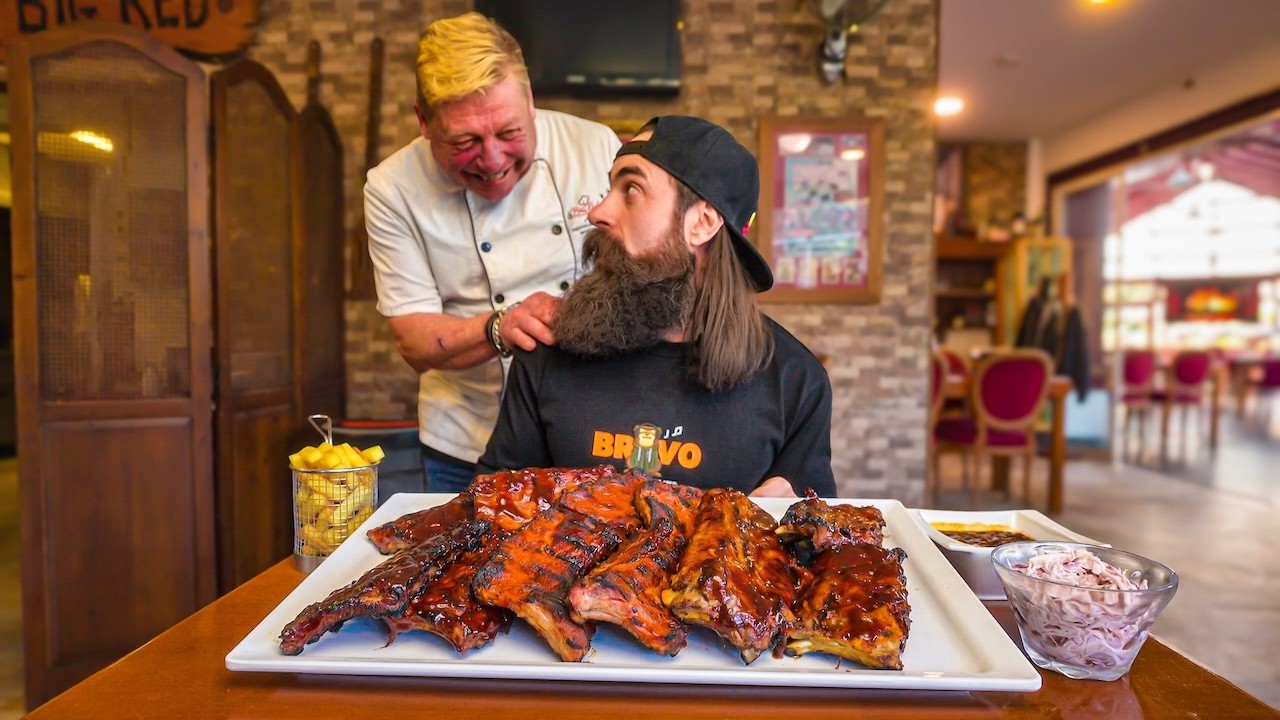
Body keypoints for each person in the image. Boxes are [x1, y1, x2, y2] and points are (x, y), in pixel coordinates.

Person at [477, 116, 835, 498]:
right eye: (609, 189)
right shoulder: (547, 349)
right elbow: (493, 506)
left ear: (702, 222)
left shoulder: (795, 380)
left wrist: (788, 518)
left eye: (631, 189)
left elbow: (818, 533)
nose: (597, 212)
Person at [364, 12, 621, 492]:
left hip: (587, 437)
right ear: (423, 120)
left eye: (508, 133)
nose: (493, 160)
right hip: (464, 442)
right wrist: (499, 328)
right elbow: (413, 339)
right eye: (464, 141)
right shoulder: (392, 187)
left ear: (529, 100)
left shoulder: (594, 146)